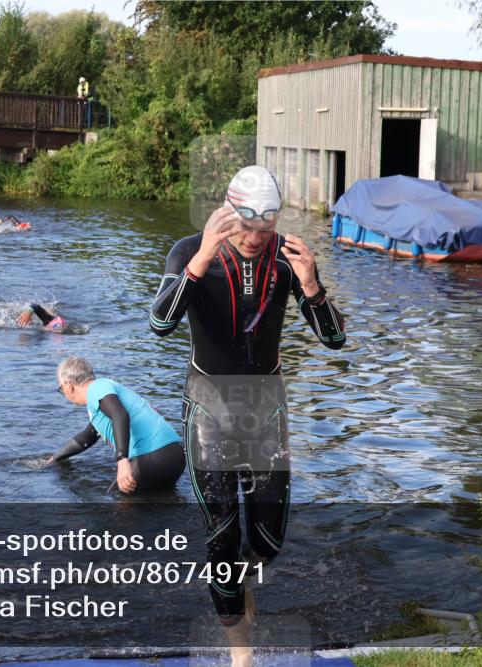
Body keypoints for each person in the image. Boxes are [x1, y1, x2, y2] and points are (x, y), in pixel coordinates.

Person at [149, 165, 346, 666]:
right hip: (209, 406)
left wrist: (312, 284)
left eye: (265, 228)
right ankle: (242, 654)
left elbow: (335, 339)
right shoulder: (191, 250)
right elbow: (159, 323)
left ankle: (244, 581)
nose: (256, 239)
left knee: (266, 539)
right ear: (227, 212)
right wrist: (200, 262)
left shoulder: (286, 256)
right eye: (246, 227)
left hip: (265, 407)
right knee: (221, 533)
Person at [50, 356, 184, 494]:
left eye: (61, 389)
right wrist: (55, 458)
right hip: (175, 455)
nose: (63, 392)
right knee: (158, 503)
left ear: (68, 385)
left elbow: (120, 415)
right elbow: (87, 437)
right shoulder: (101, 396)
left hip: (153, 455)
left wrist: (122, 461)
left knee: (115, 506)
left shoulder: (96, 388)